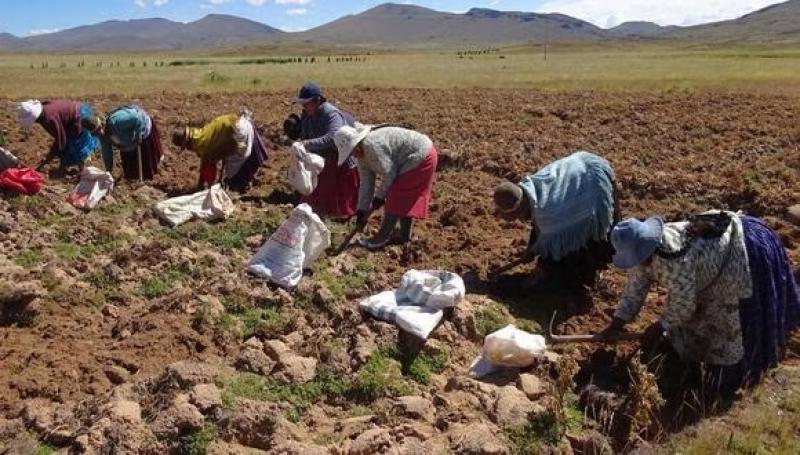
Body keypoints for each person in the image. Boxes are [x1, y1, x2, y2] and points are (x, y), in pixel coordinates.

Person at [602, 211, 800, 399]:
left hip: (738, 256)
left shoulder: (673, 260)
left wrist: (659, 327)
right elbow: (635, 288)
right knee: (687, 326)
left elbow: (684, 306)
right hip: (704, 274)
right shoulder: (644, 256)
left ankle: (731, 381)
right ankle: (692, 365)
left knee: (728, 329)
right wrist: (617, 323)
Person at [492, 151, 617, 287]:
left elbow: (556, 243)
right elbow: (541, 231)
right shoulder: (530, 190)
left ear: (518, 210)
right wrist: (532, 249)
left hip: (595, 183)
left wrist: (541, 270)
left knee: (581, 244)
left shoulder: (547, 212)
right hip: (582, 167)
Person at [334, 124, 438, 249]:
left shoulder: (371, 145)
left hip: (421, 155)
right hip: (410, 159)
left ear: (357, 142)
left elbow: (390, 174)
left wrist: (379, 197)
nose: (353, 155)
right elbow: (366, 183)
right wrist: (361, 210)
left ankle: (381, 237)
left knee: (395, 195)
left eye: (352, 150)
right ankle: (404, 236)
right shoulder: (361, 156)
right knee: (402, 197)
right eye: (350, 153)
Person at [283, 82, 359, 218]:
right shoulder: (307, 115)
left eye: (307, 103)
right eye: (303, 104)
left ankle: (341, 215)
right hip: (323, 159)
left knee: (340, 201)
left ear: (317, 101)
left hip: (340, 158)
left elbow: (333, 137)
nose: (304, 107)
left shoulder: (331, 114)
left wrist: (307, 144)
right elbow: (305, 134)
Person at [172, 109, 268, 192]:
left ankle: (240, 185)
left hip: (239, 132)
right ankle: (244, 181)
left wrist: (207, 187)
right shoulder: (200, 133)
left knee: (233, 166)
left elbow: (208, 166)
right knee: (234, 162)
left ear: (187, 144)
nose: (188, 149)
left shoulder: (201, 144)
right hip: (242, 123)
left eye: (186, 147)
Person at [17, 99, 101, 174]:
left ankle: (81, 171)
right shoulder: (44, 109)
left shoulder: (49, 119)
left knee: (76, 145)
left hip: (77, 117)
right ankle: (63, 167)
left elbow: (61, 142)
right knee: (66, 145)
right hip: (74, 112)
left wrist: (46, 161)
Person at [99, 105, 162, 181]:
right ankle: (133, 179)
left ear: (102, 125)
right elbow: (107, 153)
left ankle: (146, 179)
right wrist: (109, 171)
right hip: (127, 143)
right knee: (131, 169)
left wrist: (138, 135)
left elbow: (137, 118)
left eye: (99, 130)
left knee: (145, 162)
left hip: (141, 126)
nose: (100, 133)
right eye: (96, 133)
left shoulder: (117, 121)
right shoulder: (103, 136)